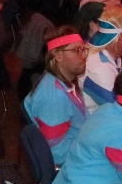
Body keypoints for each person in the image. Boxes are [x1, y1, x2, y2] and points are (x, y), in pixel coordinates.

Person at [24, 26, 90, 166]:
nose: (84, 55)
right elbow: (57, 153)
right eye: (76, 50)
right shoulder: (54, 98)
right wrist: (96, 148)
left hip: (81, 147)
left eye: (84, 49)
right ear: (58, 56)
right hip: (74, 164)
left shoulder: (66, 82)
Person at [82, 4, 122, 109]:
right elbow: (121, 110)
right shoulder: (100, 68)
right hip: (93, 118)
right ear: (121, 37)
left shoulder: (109, 55)